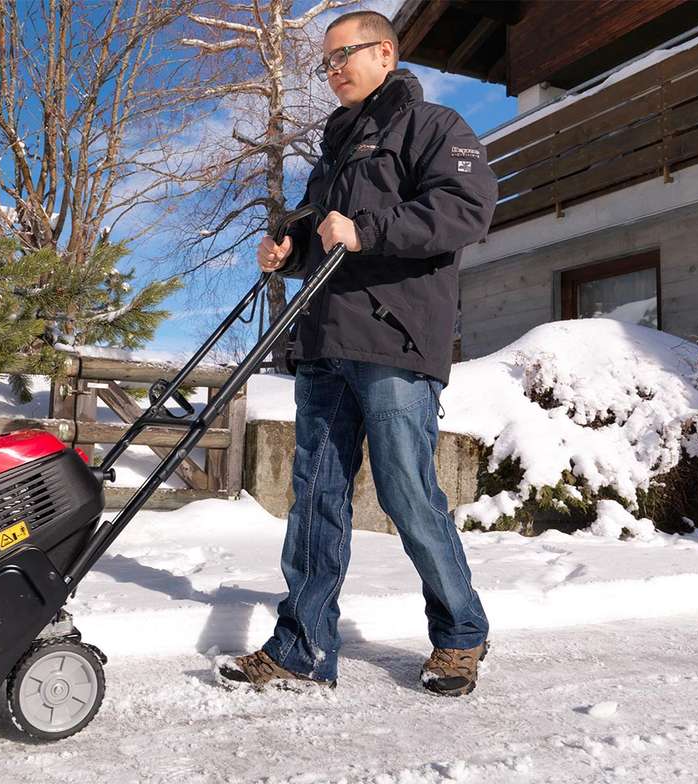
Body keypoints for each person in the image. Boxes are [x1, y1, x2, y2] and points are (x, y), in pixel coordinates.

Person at [218, 10, 496, 697]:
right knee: (314, 497)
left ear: (385, 54)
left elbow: (465, 211)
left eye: (343, 54)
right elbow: (325, 235)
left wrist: (366, 229)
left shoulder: (433, 128)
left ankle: (460, 633)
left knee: (407, 493)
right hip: (325, 342)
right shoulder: (335, 151)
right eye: (326, 61)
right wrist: (288, 250)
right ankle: (301, 648)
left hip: (395, 342)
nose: (332, 69)